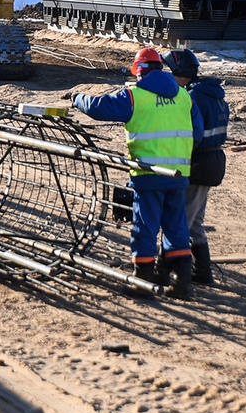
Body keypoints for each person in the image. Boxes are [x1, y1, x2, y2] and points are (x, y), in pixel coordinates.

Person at [72, 47, 202, 297]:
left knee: (145, 227)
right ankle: (182, 282)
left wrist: (77, 97)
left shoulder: (135, 95)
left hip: (148, 173)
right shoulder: (185, 97)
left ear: (138, 71)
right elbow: (196, 132)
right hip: (177, 174)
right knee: (177, 227)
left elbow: (100, 107)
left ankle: (142, 281)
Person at [161, 49, 228, 286]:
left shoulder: (193, 97)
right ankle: (202, 272)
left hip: (199, 164)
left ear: (180, 73)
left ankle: (166, 272)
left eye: (169, 71)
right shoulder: (213, 94)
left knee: (181, 221)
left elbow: (192, 136)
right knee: (195, 222)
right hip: (211, 163)